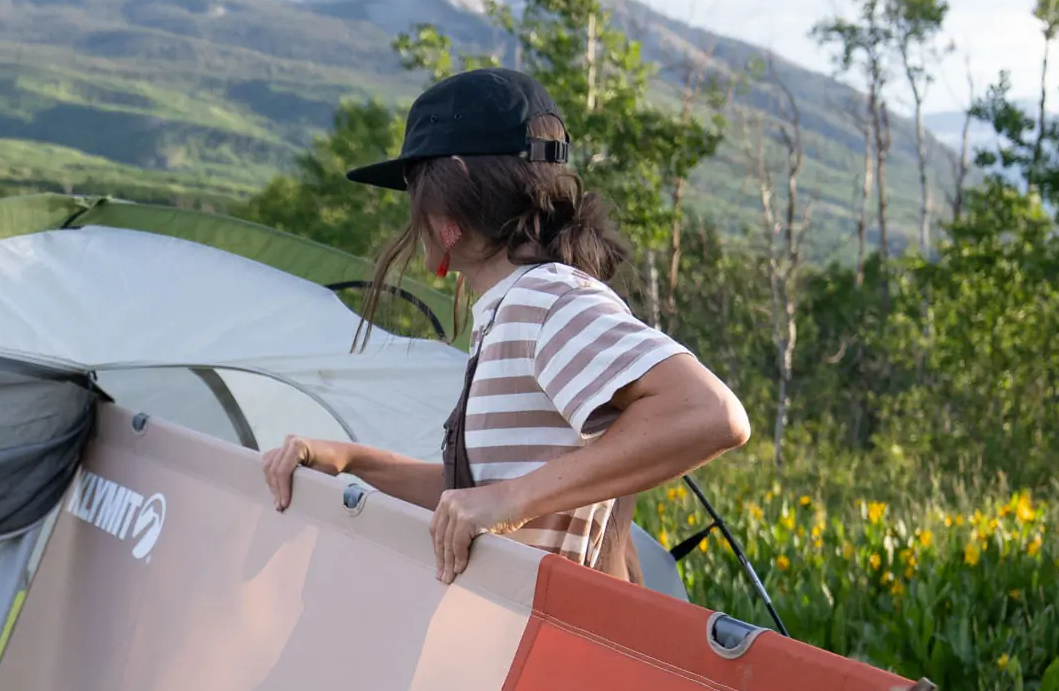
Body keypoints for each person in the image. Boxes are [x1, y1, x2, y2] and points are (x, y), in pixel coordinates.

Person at [259, 68, 752, 585]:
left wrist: (511, 500)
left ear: (449, 193)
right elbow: (481, 497)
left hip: (556, 647)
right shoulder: (516, 308)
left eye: (413, 187)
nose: (411, 212)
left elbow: (712, 414)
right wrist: (357, 461)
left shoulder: (545, 299)